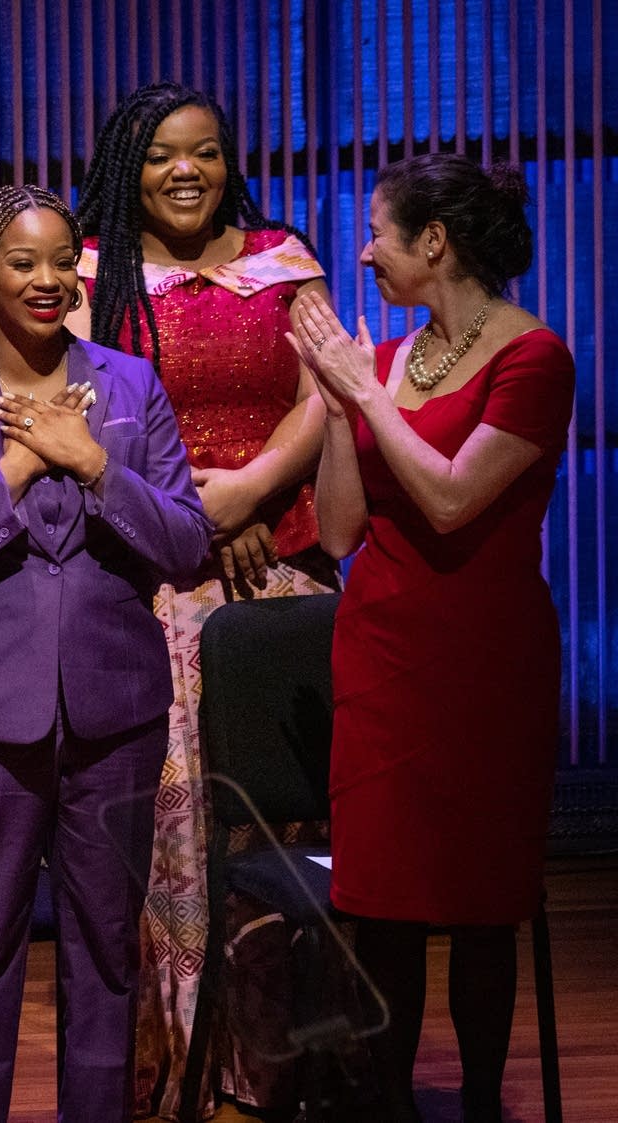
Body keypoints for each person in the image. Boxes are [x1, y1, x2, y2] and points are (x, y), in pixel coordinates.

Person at [0, 185, 212, 1122]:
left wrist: (96, 463)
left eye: (63, 260)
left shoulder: (130, 385)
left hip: (117, 712)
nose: (48, 279)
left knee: (107, 949)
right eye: (23, 262)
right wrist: (16, 469)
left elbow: (187, 545)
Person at [286, 153, 572, 1123]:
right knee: (381, 908)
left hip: (483, 667)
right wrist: (334, 407)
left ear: (433, 242)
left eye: (377, 232)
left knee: (480, 905)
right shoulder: (384, 361)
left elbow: (450, 499)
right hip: (379, 659)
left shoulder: (533, 358)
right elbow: (333, 533)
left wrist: (362, 397)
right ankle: (384, 1103)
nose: (362, 252)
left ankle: (482, 1104)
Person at [69, 81, 336, 1116]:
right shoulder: (89, 274)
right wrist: (195, 510)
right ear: (123, 170)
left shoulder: (284, 263)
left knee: (280, 823)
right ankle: (177, 1062)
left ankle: (279, 1060)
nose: (186, 171)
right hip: (146, 580)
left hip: (276, 571)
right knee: (169, 827)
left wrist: (255, 490)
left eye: (206, 153)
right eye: (159, 156)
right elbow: (81, 414)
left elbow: (329, 389)